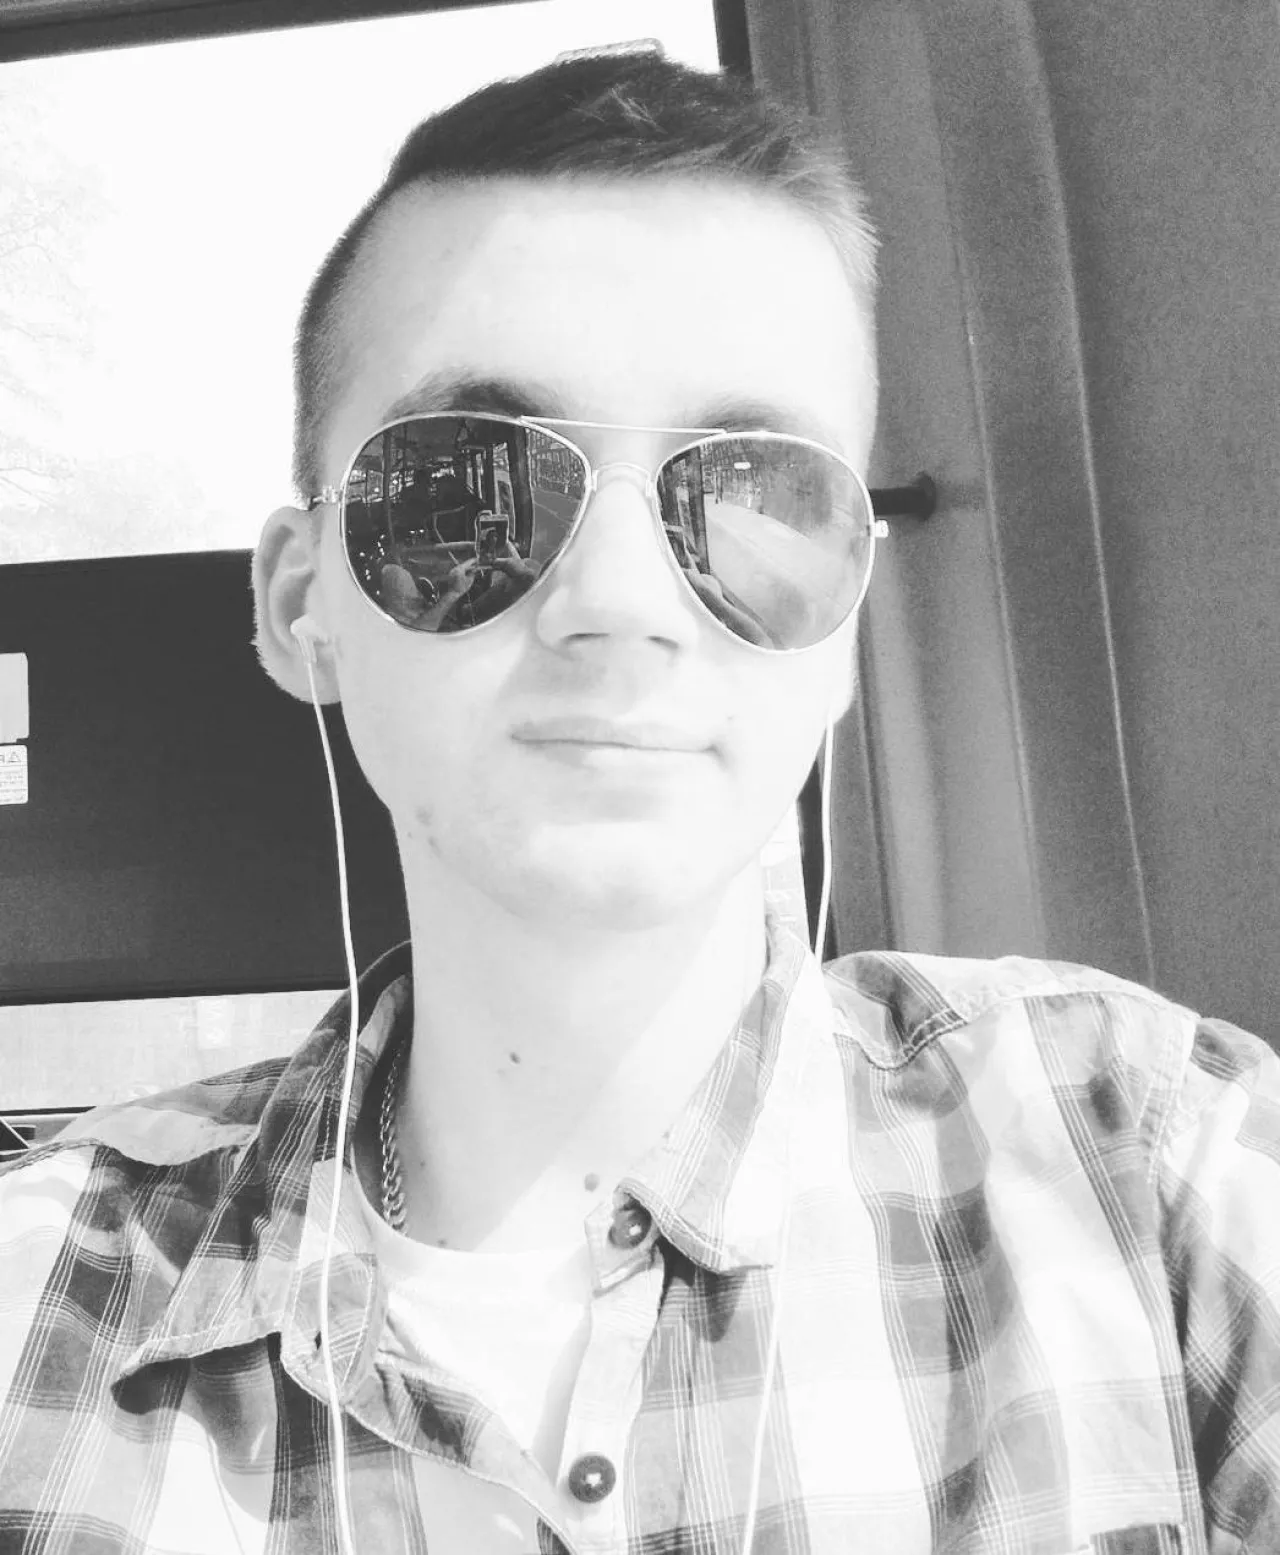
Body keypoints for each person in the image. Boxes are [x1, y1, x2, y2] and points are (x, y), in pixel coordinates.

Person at [1, 48, 1278, 1555]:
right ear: (303, 605)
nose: (617, 601)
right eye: (468, 487)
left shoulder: (1163, 1170)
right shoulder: (35, 1293)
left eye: (756, 494)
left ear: (846, 620)